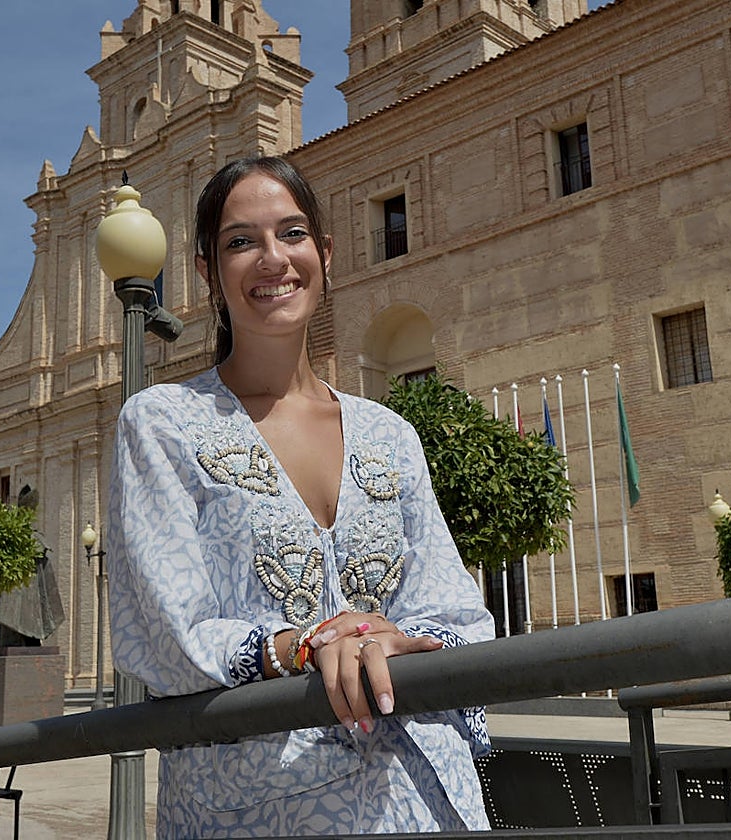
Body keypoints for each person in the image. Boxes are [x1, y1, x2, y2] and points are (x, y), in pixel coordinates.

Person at [108, 156, 495, 838]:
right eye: (239, 241)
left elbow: (456, 611)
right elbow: (165, 636)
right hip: (261, 806)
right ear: (207, 272)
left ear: (324, 253)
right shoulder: (163, 422)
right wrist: (298, 645)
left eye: (292, 234)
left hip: (423, 799)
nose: (271, 259)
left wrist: (398, 640)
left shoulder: (391, 433)